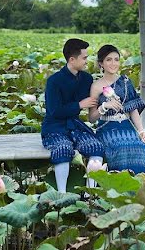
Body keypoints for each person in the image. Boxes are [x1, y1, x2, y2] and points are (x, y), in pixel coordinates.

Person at [41, 38, 105, 192]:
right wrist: (79, 105)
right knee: (63, 148)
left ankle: (92, 194)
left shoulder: (87, 79)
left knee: (96, 146)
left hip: (75, 126)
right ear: (72, 59)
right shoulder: (54, 81)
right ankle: (62, 194)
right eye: (84, 58)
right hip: (54, 127)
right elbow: (54, 111)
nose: (86, 61)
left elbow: (96, 97)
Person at [87, 44, 145, 175]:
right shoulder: (96, 86)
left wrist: (141, 130)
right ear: (101, 63)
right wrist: (104, 107)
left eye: (116, 59)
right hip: (107, 127)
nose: (113, 63)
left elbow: (133, 109)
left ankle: (140, 189)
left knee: (141, 148)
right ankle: (118, 189)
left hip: (127, 126)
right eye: (108, 60)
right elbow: (91, 118)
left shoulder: (126, 81)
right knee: (120, 148)